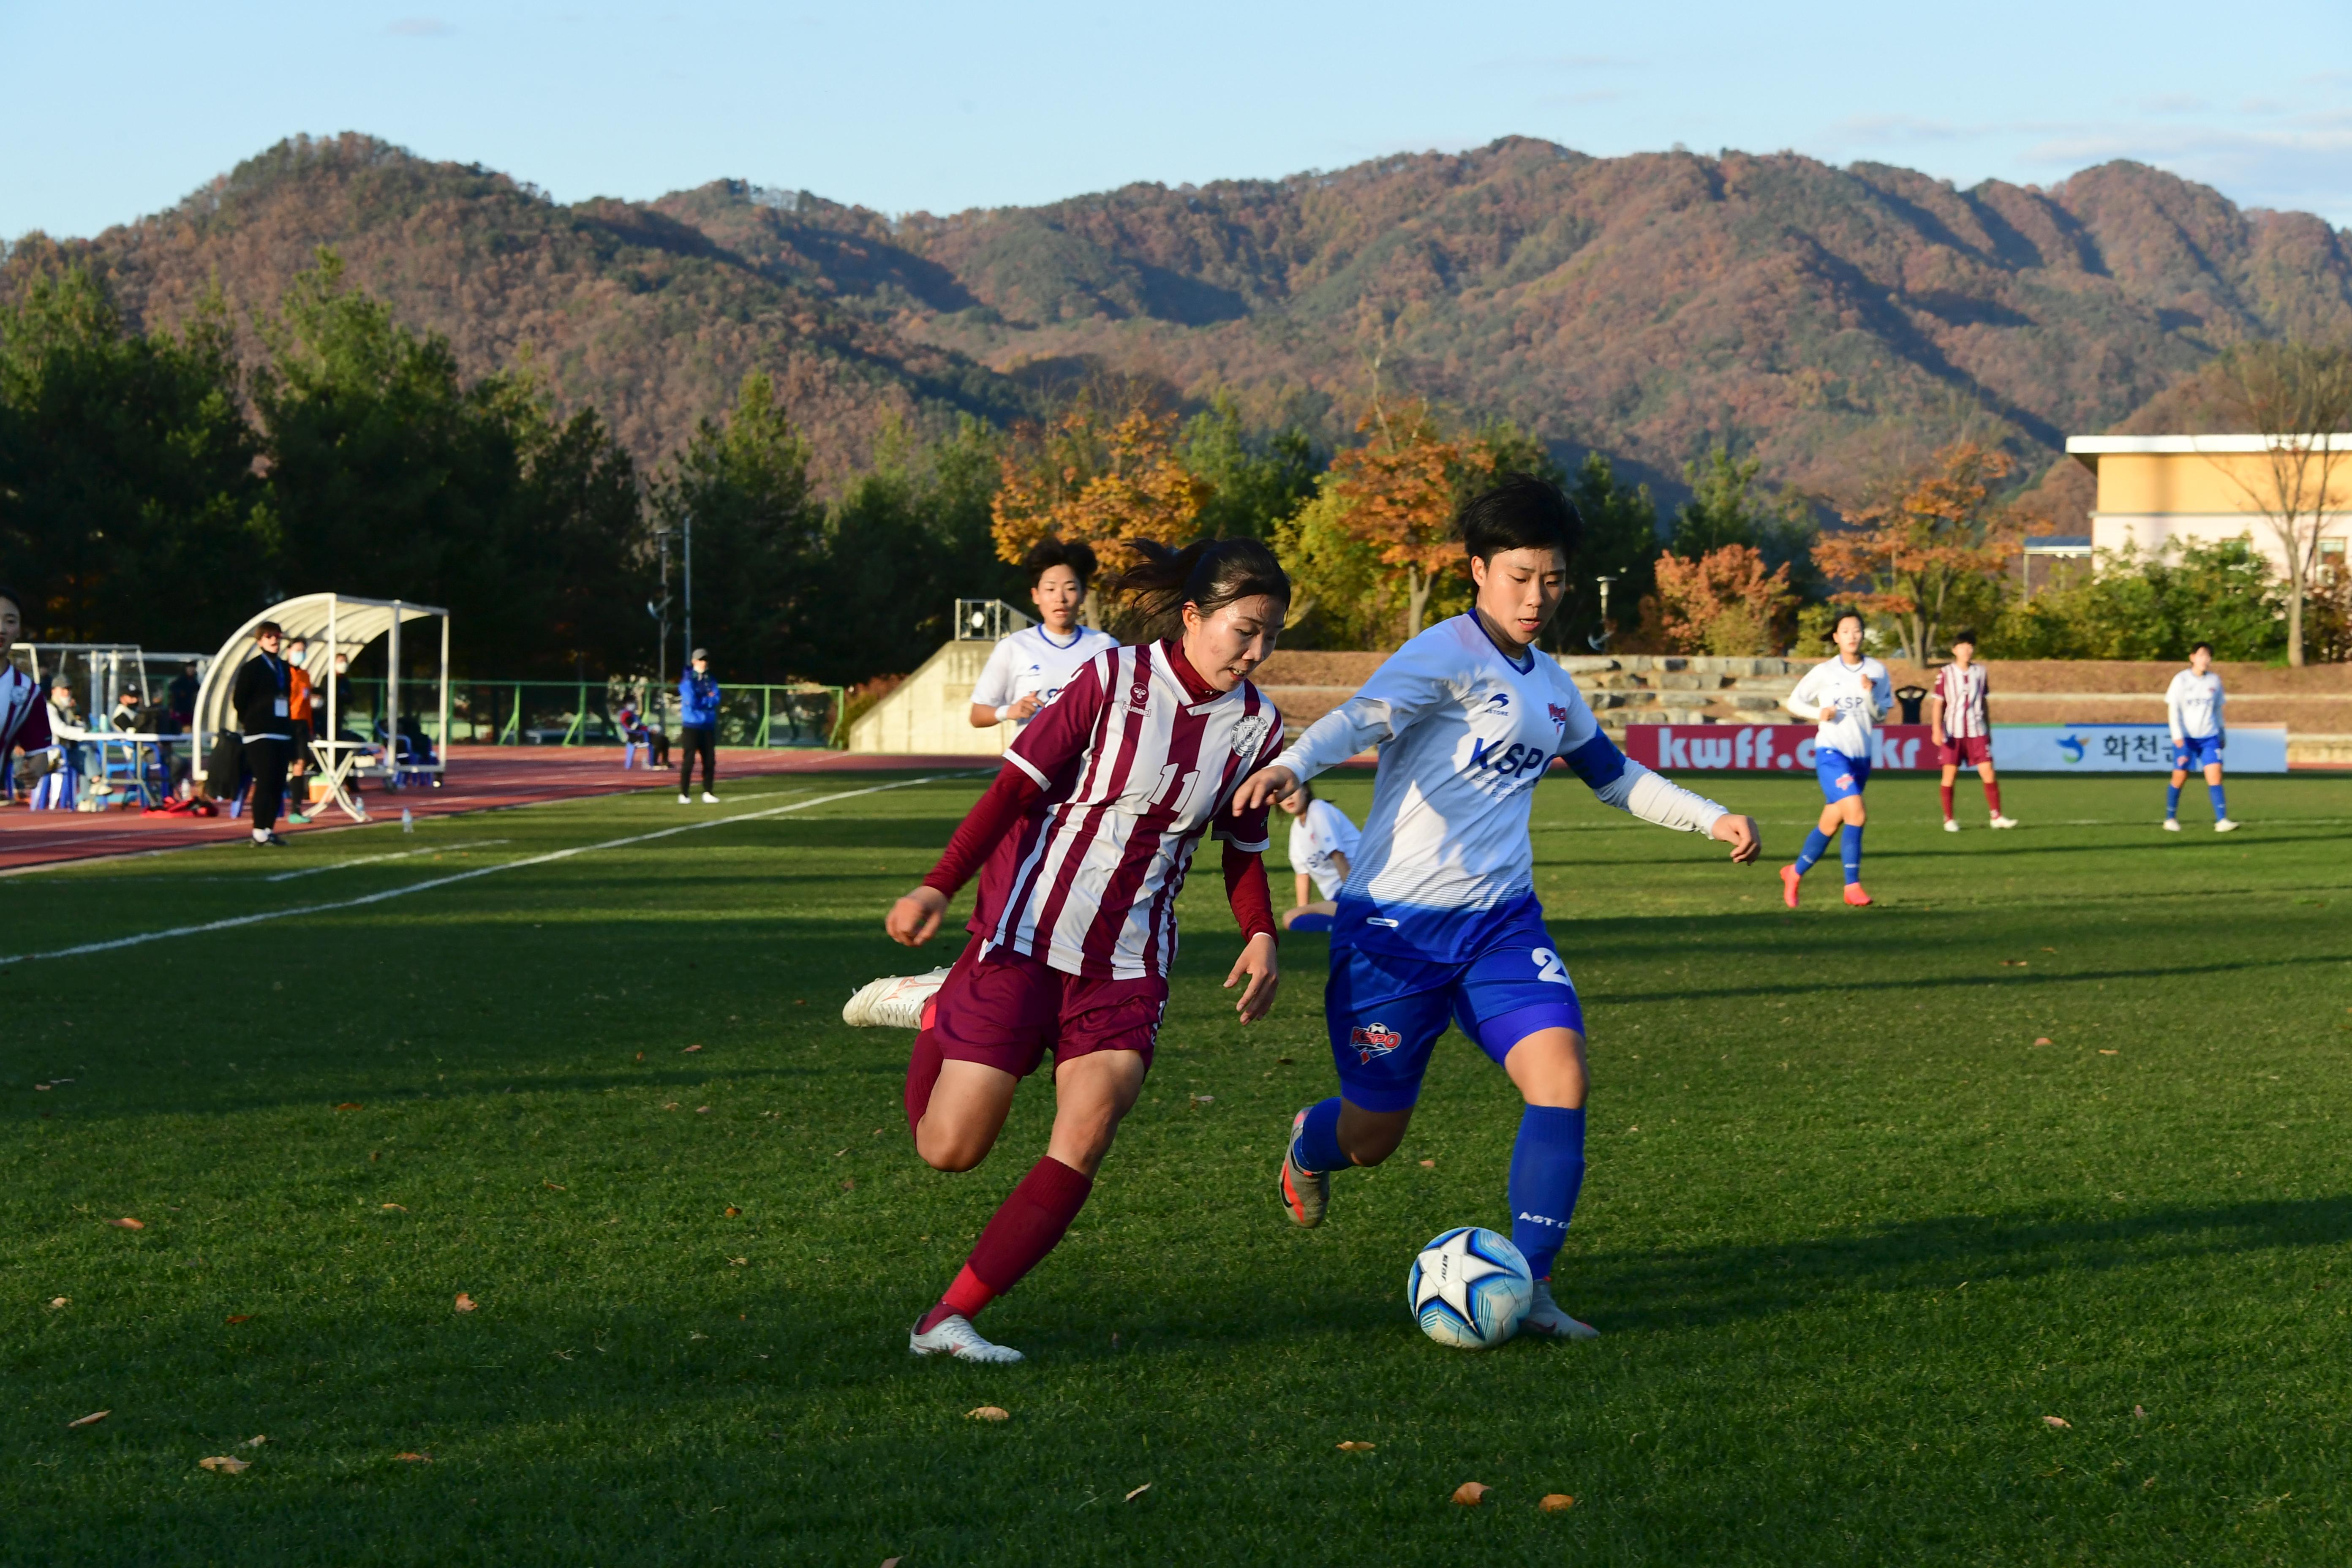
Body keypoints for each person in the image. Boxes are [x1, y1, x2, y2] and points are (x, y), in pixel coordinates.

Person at [1234, 476, 1761, 1342]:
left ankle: (1538, 1286)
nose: (1536, 596)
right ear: (1477, 569)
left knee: (1561, 1076)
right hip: (1393, 935)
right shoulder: (1443, 653)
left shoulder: (1553, 685)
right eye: (1519, 575)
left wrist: (1710, 816)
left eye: (1551, 579)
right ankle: (1309, 1141)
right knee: (1373, 1136)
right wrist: (1296, 765)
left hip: (1500, 927)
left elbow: (1612, 777)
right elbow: (1362, 717)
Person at [883, 537, 1290, 1364]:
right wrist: (938, 884)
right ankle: (939, 1005)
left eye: (1269, 636)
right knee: (948, 1148)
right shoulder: (1111, 680)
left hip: (1129, 964)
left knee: (1089, 1128)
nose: (1254, 651)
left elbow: (1243, 853)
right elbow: (1014, 787)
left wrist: (1260, 933)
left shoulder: (1259, 728)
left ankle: (948, 1317)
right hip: (1025, 936)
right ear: (1192, 616)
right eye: (1242, 630)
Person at [1778, 610, 1890, 909]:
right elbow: (1793, 702)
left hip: (1861, 758)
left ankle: (1794, 873)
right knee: (1857, 814)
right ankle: (1852, 886)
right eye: (1846, 631)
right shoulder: (1825, 672)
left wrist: (1869, 695)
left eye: (1857, 630)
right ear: (1836, 637)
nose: (1852, 635)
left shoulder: (1877, 671)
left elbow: (1881, 715)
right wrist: (1818, 714)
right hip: (1831, 753)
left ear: (1863, 635)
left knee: (1830, 824)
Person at [968, 539, 1119, 732]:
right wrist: (1009, 711)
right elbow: (977, 715)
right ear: (1036, 595)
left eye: (1071, 588)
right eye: (1050, 589)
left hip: (1087, 762)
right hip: (1030, 761)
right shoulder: (1014, 646)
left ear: (1083, 595)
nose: (1060, 598)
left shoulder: (1106, 647)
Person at [1929, 630, 2017, 832]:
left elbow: (1984, 702)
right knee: (1949, 776)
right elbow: (1938, 704)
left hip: (1977, 730)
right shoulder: (1946, 673)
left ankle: (1997, 816)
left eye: (1970, 646)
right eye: (1962, 647)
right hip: (1953, 732)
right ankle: (1949, 819)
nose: (1966, 650)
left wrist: (1989, 728)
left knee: (1989, 773)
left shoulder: (1981, 672)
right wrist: (1936, 729)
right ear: (1954, 650)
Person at [232, 621, 297, 846]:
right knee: (266, 780)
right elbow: (239, 700)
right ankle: (258, 830)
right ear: (260, 641)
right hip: (259, 734)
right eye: (269, 636)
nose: (274, 640)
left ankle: (269, 828)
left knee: (279, 782)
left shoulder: (284, 668)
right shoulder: (252, 668)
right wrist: (253, 719)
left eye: (277, 636)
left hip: (281, 732)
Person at [2165, 642, 2236, 833]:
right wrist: (2177, 735)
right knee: (2180, 776)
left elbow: (2217, 710)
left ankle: (2222, 820)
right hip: (2187, 738)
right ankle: (2170, 818)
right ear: (2192, 658)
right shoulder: (2181, 680)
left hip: (2209, 736)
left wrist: (2222, 732)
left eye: (2208, 656)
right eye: (2201, 655)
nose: (2205, 659)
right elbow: (2174, 709)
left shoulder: (2214, 681)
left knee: (2215, 776)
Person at [1278, 779, 1359, 932]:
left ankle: (1361, 920)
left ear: (1306, 789)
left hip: (1356, 891)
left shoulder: (1319, 811)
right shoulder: (1296, 830)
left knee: (1291, 918)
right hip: (1337, 898)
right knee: (1295, 921)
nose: (1288, 797)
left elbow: (1339, 858)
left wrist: (1354, 903)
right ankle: (1360, 925)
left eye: (1292, 790)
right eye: (1282, 794)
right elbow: (1302, 875)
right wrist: (1302, 913)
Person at [0, 587, 54, 803]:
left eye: (10, 621)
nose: (1, 629)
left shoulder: (27, 693)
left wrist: (34, 771)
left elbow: (39, 753)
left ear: (20, 630)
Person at [678, 648, 719, 804]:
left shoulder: (711, 679)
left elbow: (716, 698)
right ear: (694, 661)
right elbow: (692, 701)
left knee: (709, 760)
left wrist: (707, 701)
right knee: (689, 760)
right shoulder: (688, 680)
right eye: (701, 660)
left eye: (706, 660)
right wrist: (707, 700)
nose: (704, 663)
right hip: (691, 725)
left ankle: (708, 791)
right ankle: (684, 793)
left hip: (708, 725)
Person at [282, 637, 315, 825]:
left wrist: (311, 727)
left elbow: (308, 704)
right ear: (288, 651)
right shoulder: (283, 673)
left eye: (303, 650)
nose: (300, 653)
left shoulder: (305, 675)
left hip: (301, 724)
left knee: (301, 763)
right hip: (286, 722)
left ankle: (296, 809)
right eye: (297, 650)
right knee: (278, 765)